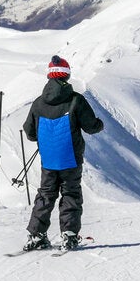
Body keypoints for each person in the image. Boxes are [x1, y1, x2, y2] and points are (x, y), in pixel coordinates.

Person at [22, 56, 104, 252]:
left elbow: (30, 132)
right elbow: (91, 127)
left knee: (46, 194)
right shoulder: (76, 100)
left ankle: (37, 235)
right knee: (70, 194)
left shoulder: (38, 103)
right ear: (67, 75)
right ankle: (69, 235)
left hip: (48, 160)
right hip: (70, 158)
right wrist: (99, 124)